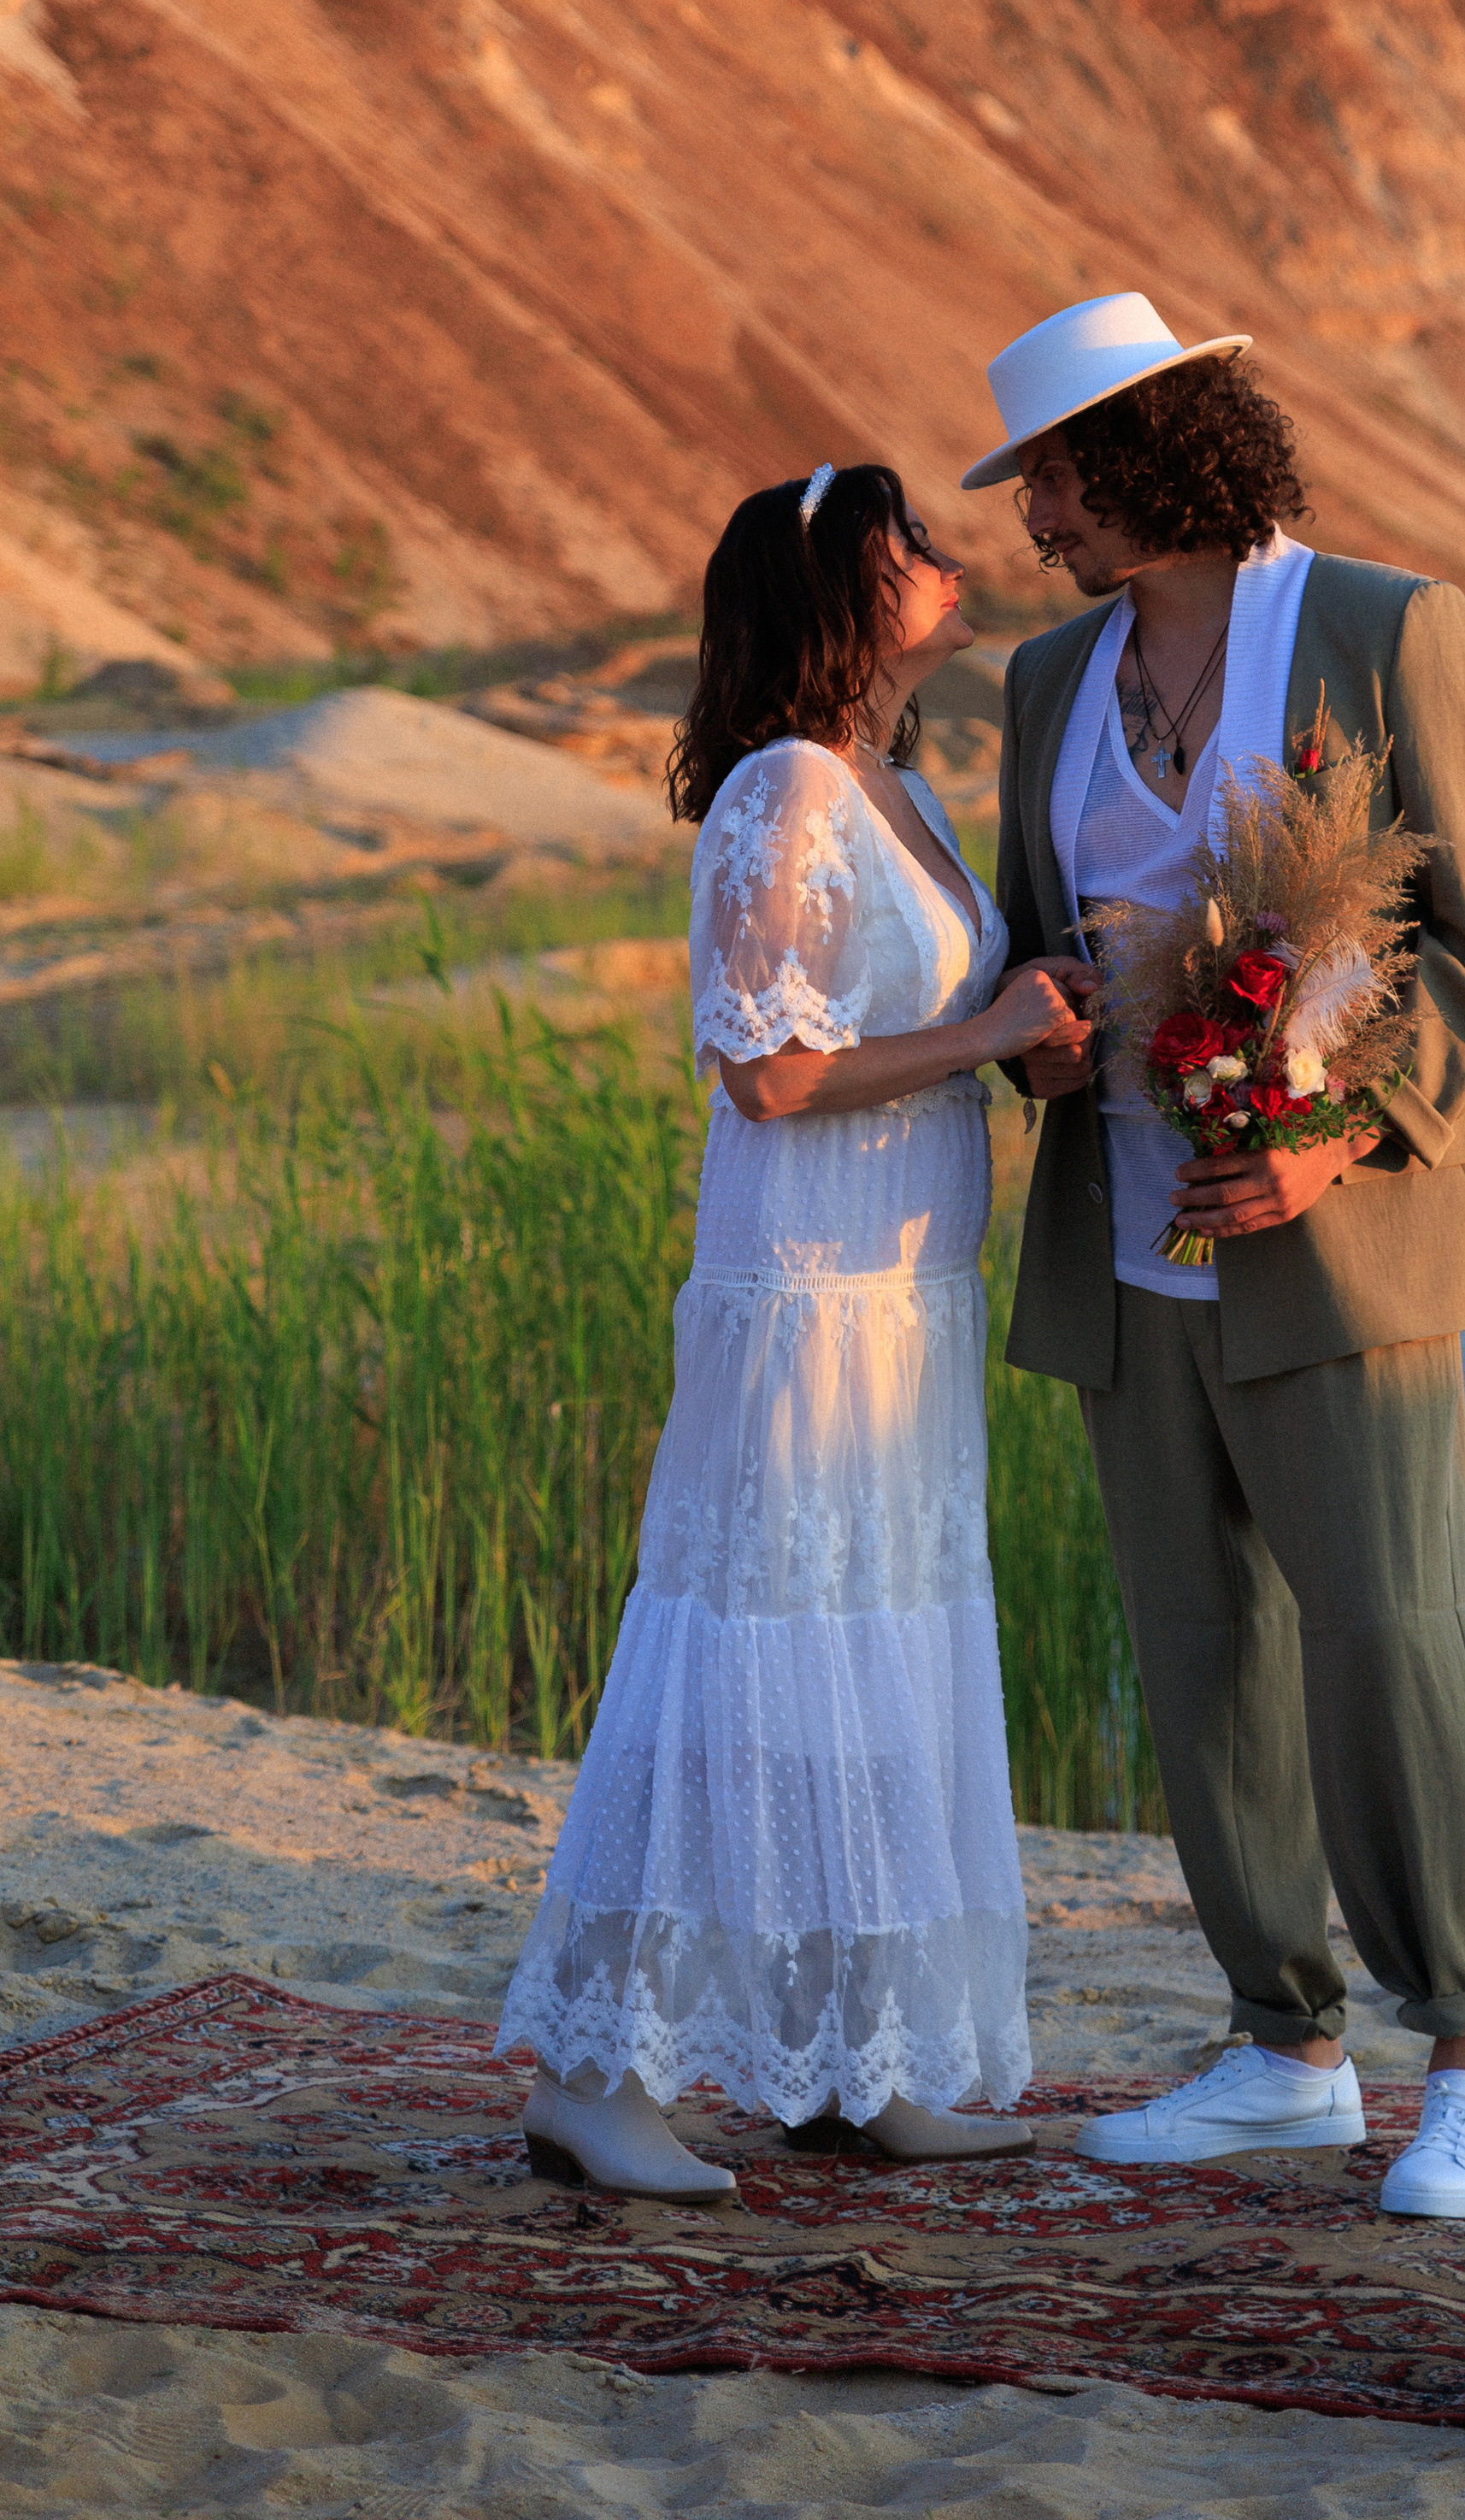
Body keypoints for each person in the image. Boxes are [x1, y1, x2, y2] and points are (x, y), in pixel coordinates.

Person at [965, 292, 1465, 2219]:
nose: (1035, 516)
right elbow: (1035, 940)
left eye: (1052, 475)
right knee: (1200, 1651)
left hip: (1342, 1246)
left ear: (1150, 452)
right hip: (1124, 1251)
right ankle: (1284, 2051)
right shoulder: (1048, 678)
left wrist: (1330, 1144)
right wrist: (1035, 1035)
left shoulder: (1385, 627)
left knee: (1392, 1639)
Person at [497, 462, 1093, 2198]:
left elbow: (921, 1020)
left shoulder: (897, 782)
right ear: (837, 591)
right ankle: (595, 2075)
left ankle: (856, 2064)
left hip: (904, 1307)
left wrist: (1042, 1035)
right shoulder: (782, 789)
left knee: (877, 1659)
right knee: (743, 1658)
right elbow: (766, 1072)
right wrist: (988, 1034)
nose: (949, 559)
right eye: (911, 544)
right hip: (806, 1301)